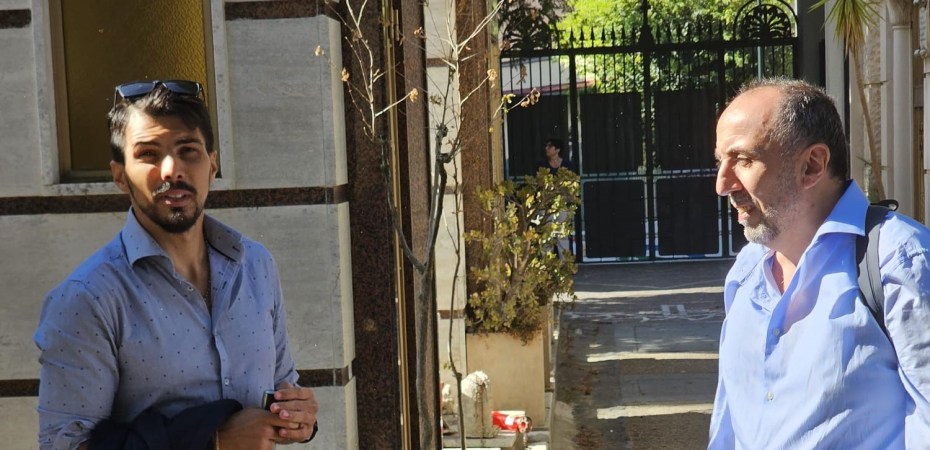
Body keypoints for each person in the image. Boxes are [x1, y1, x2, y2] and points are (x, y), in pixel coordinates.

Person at [34, 79, 319, 450]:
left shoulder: (256, 265)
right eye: (148, 154)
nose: (172, 169)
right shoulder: (87, 299)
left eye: (188, 151)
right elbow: (65, 445)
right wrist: (211, 441)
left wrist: (298, 415)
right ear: (120, 175)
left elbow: (282, 383)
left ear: (212, 165)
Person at [708, 77, 930, 449]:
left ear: (813, 165)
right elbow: (728, 426)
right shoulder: (747, 270)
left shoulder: (901, 261)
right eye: (720, 161)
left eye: (743, 160)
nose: (722, 184)